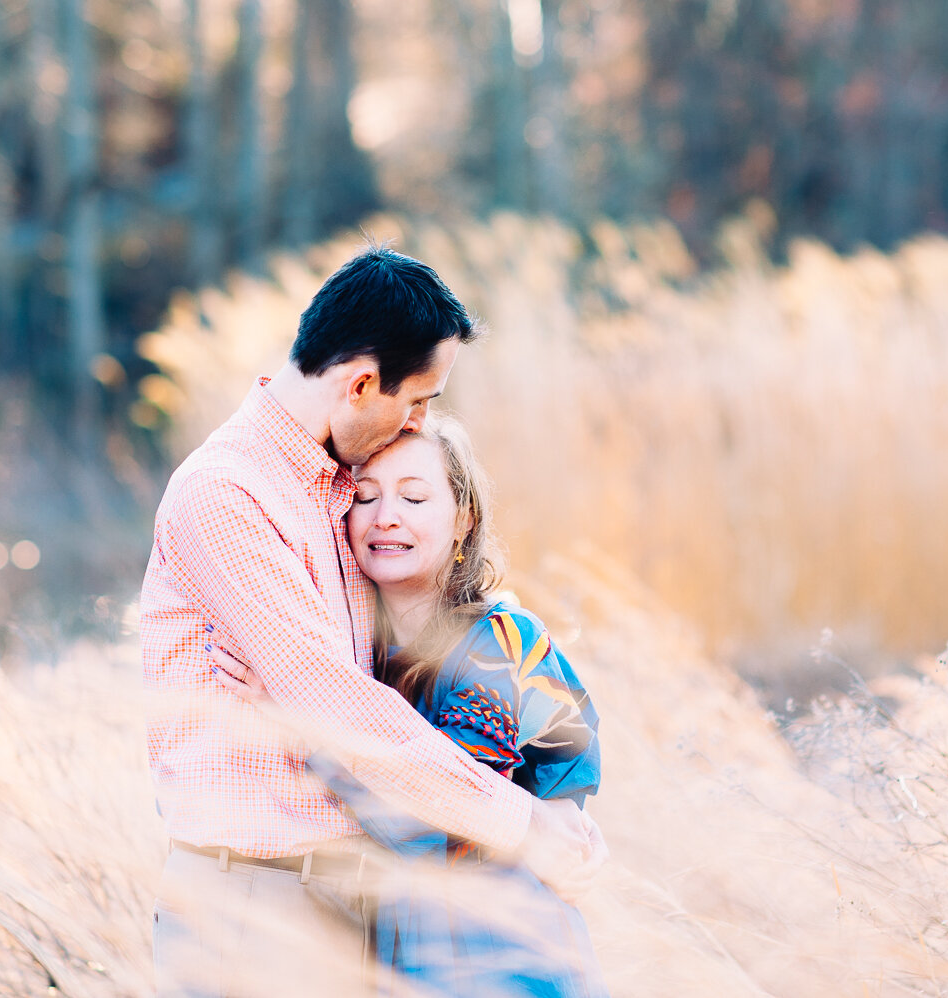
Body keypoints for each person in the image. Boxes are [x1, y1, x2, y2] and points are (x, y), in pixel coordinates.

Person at [141, 247, 605, 998]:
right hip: (257, 903)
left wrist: (555, 806)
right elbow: (332, 702)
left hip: (364, 904)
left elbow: (388, 678)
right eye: (417, 401)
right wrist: (520, 825)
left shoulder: (340, 489)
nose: (419, 421)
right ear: (361, 383)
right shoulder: (227, 495)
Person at [210, 417, 609, 997]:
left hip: (505, 954)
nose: (384, 516)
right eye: (364, 497)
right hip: (404, 952)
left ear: (463, 519)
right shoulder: (356, 654)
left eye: (414, 496)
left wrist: (301, 720)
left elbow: (439, 816)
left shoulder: (499, 645)